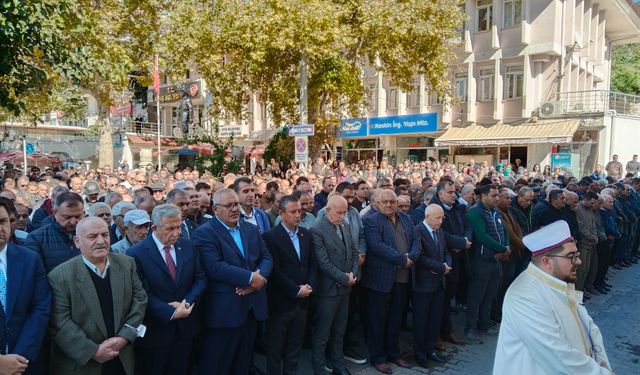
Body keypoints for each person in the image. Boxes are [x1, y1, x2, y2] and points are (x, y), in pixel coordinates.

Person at [493, 220, 612, 374]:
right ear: (547, 261)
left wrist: (599, 361)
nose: (579, 261)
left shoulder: (558, 283)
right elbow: (557, 355)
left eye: (577, 254)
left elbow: (587, 327)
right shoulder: (526, 296)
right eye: (572, 256)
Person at [47, 217, 148, 375]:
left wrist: (124, 337)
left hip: (122, 359)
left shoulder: (127, 264)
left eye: (105, 234)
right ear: (77, 241)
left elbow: (140, 300)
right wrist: (93, 351)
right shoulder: (60, 276)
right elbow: (60, 322)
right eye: (93, 236)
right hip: (82, 366)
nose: (101, 241)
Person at [192, 189, 272, 375]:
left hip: (251, 308)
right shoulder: (204, 233)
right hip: (224, 312)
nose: (235, 209)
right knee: (218, 364)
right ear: (215, 209)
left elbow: (266, 256)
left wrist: (258, 279)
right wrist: (251, 278)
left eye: (236, 204)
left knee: (243, 362)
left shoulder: (250, 228)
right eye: (229, 205)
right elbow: (214, 267)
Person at [126, 204, 206, 375]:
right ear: (155, 228)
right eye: (170, 228)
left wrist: (187, 302)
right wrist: (169, 311)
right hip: (156, 333)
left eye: (178, 226)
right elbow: (141, 292)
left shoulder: (188, 246)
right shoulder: (135, 253)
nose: (176, 233)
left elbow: (200, 278)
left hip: (185, 329)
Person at [362, 190, 417, 373]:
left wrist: (412, 256)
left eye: (392, 201)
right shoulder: (371, 221)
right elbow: (376, 246)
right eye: (384, 201)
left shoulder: (406, 219)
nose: (388, 205)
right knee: (377, 320)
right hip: (380, 280)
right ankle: (377, 357)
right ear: (377, 203)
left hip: (402, 279)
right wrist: (402, 259)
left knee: (395, 319)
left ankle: (394, 353)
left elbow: (416, 240)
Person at [262, 196, 315, 375]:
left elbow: (311, 264)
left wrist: (309, 286)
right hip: (281, 302)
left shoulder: (305, 234)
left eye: (299, 211)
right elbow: (274, 271)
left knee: (294, 345)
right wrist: (294, 290)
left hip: (303, 300)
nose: (298, 215)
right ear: (281, 213)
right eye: (293, 212)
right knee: (276, 347)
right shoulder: (271, 236)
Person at [0, 198, 51, 375]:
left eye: (3, 221)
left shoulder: (29, 259)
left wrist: (20, 356)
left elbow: (40, 308)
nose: (0, 227)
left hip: (24, 363)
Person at [309, 195, 359, 375]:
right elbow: (323, 263)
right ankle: (319, 367)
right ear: (327, 210)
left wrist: (353, 273)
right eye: (339, 213)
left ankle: (338, 365)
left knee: (339, 330)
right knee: (323, 332)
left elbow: (354, 252)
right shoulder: (317, 229)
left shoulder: (344, 225)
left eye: (345, 213)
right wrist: (344, 277)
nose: (343, 216)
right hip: (329, 290)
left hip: (346, 287)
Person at [411, 204, 464, 368]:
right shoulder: (418, 230)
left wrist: (445, 265)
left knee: (434, 320)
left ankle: (430, 349)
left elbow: (445, 251)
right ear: (427, 216)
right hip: (423, 284)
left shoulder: (439, 230)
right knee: (421, 321)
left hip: (439, 283)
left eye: (442, 218)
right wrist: (439, 267)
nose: (441, 221)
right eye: (437, 218)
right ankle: (420, 354)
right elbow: (418, 257)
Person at [464, 184, 510, 344]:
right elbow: (482, 236)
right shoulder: (475, 212)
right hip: (481, 260)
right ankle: (470, 328)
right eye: (494, 195)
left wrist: (507, 246)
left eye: (498, 195)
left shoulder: (495, 212)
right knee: (476, 296)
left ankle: (484, 323)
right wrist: (502, 248)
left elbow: (504, 231)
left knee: (490, 294)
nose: (497, 198)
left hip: (495, 260)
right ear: (483, 196)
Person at [24, 192, 85, 273]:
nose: (73, 222)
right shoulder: (36, 238)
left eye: (78, 217)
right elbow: (34, 273)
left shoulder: (93, 234)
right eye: (67, 217)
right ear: (54, 212)